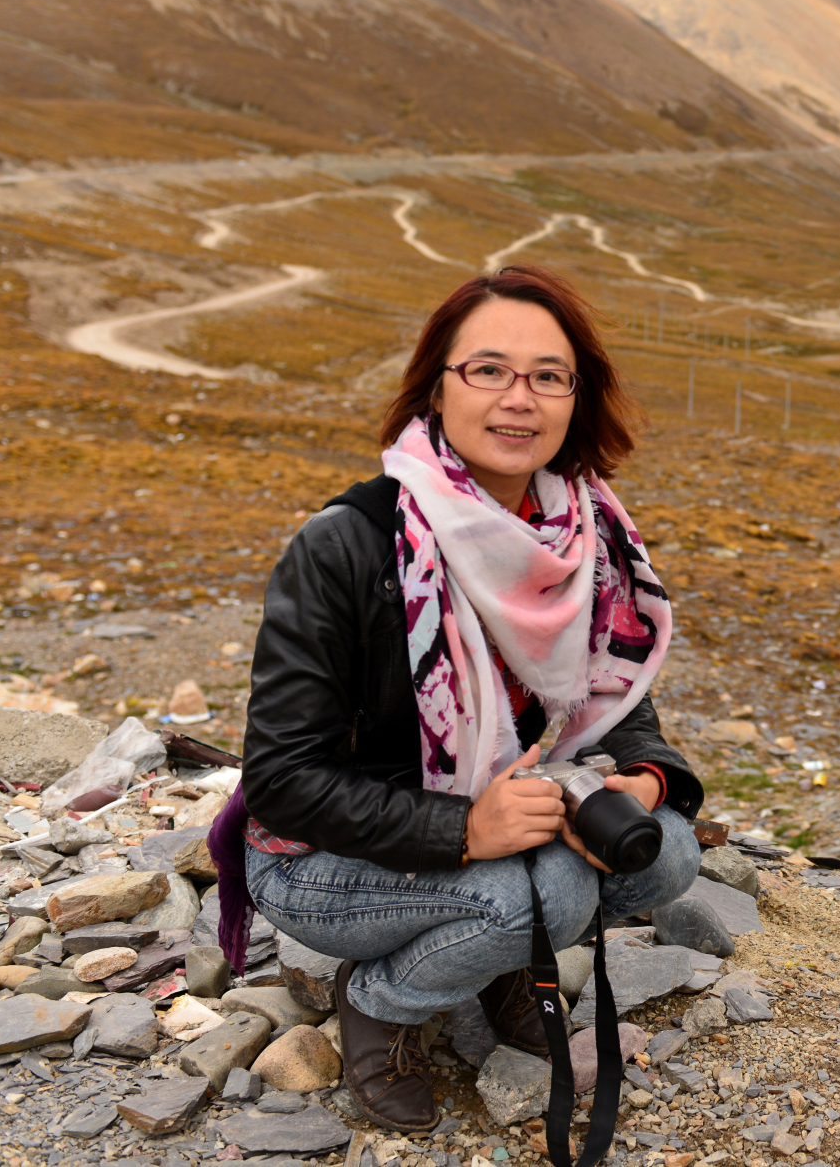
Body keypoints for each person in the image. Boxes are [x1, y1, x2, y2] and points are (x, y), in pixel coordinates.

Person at [208, 266, 703, 1132]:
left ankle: (494, 964)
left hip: (502, 820)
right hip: (317, 858)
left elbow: (618, 705)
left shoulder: (585, 536)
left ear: (576, 398)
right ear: (436, 388)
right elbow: (283, 781)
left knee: (666, 854)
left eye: (548, 376)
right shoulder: (347, 547)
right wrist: (464, 831)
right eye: (488, 370)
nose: (520, 399)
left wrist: (649, 778)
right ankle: (382, 1000)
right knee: (535, 897)